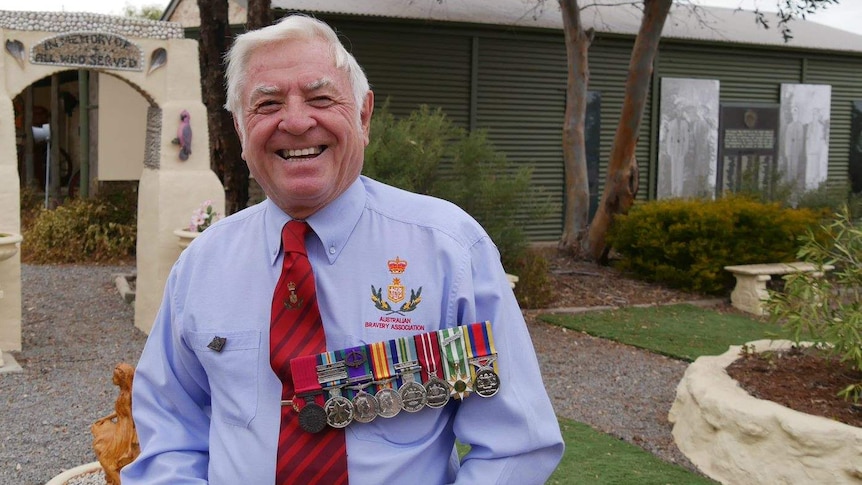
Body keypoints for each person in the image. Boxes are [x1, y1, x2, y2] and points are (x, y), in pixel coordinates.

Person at [122, 14, 564, 484]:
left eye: (320, 98)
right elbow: (170, 426)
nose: (294, 121)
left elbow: (514, 445)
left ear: (363, 114)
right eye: (267, 103)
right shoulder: (202, 266)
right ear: (238, 128)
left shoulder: (449, 253)